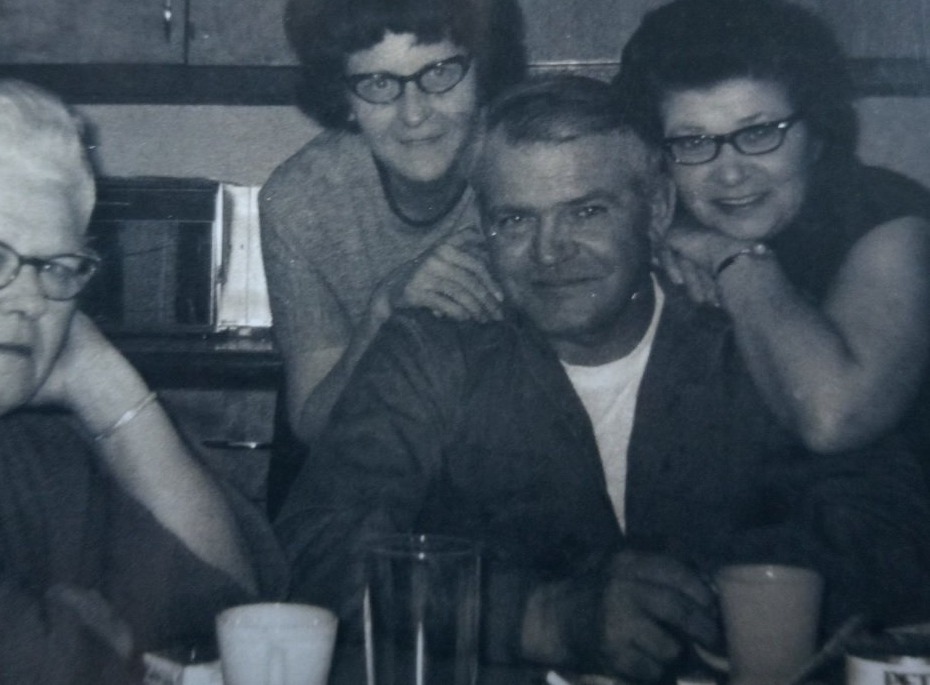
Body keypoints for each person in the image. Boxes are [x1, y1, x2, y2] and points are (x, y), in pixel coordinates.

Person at [274, 76, 930, 682]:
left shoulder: (746, 339)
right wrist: (540, 617)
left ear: (657, 210)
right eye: (515, 219)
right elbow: (315, 549)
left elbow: (893, 532)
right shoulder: (433, 348)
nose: (549, 251)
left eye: (586, 212)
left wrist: (708, 596)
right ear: (482, 228)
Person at [0, 79, 285, 683]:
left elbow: (231, 613)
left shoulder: (19, 436)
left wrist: (102, 381)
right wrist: (86, 636)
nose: (30, 299)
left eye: (55, 267)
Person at [614, 0, 930, 457]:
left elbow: (833, 419)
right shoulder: (662, 221)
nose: (731, 171)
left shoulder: (889, 218)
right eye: (693, 142)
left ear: (816, 131)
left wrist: (732, 257)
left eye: (759, 132)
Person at [259, 0, 526, 446]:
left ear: (483, 69)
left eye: (440, 72)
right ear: (344, 97)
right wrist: (385, 307)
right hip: (365, 464)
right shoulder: (299, 203)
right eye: (379, 82)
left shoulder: (528, 161)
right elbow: (312, 424)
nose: (414, 114)